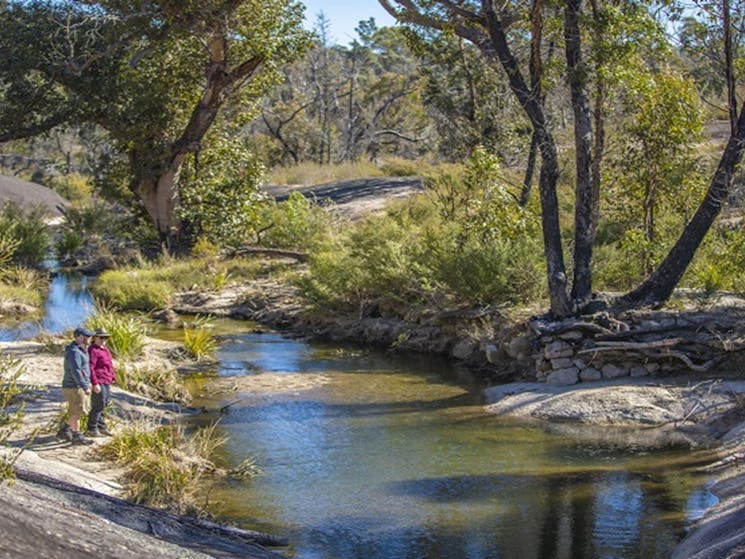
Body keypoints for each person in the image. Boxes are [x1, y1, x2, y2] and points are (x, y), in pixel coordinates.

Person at [57, 326, 94, 445]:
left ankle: (65, 429)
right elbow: (76, 371)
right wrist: (84, 386)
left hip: (78, 385)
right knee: (76, 412)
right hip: (74, 386)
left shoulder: (82, 350)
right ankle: (76, 435)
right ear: (79, 337)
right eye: (87, 336)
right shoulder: (74, 352)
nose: (89, 338)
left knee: (77, 410)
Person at [86, 327, 115, 437]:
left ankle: (101, 426)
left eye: (106, 337)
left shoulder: (105, 349)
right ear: (95, 337)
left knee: (105, 403)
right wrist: (94, 383)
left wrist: (112, 377)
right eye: (101, 337)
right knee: (99, 404)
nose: (103, 340)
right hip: (98, 380)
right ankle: (91, 428)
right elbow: (91, 367)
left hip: (106, 379)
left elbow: (109, 365)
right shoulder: (93, 350)